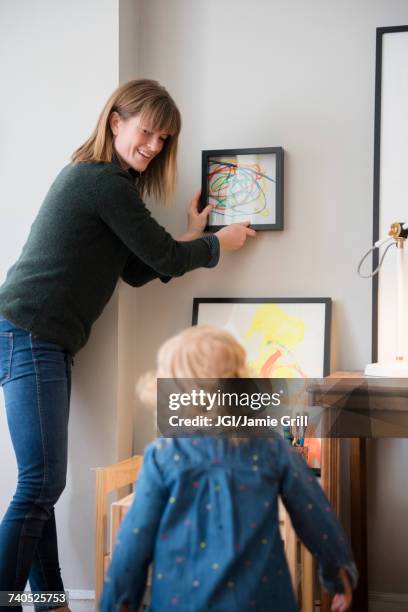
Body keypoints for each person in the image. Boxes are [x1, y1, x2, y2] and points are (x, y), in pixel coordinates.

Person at [0, 79, 255, 612]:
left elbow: (141, 269)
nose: (155, 146)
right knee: (41, 484)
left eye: (164, 139)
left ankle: (49, 603)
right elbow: (162, 259)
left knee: (41, 486)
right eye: (148, 131)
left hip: (43, 338)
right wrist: (216, 246)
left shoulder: (112, 189)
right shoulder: (101, 183)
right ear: (115, 120)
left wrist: (189, 237)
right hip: (29, 332)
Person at [100, 326, 357, 612]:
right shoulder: (271, 447)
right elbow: (315, 514)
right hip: (262, 600)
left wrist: (119, 602)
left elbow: (134, 539)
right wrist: (338, 574)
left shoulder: (163, 455)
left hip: (182, 601)